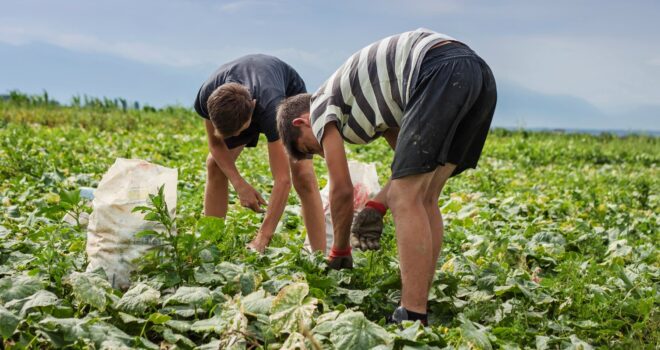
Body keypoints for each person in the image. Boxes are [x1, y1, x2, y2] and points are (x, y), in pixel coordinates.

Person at [276, 29, 497, 324]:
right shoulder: (374, 105)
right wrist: (377, 205)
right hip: (477, 75)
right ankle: (419, 303)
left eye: (310, 148)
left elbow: (341, 189)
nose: (320, 153)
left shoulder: (319, 107)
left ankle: (411, 314)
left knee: (408, 197)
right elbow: (405, 170)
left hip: (439, 69)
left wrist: (340, 249)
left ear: (301, 122)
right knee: (424, 195)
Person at [194, 54, 325, 253]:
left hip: (288, 95)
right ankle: (211, 245)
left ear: (253, 111)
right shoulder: (208, 96)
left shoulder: (272, 110)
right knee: (215, 165)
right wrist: (239, 184)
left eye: (240, 132)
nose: (237, 136)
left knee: (303, 177)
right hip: (246, 98)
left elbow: (282, 180)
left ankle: (319, 255)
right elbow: (216, 145)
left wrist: (262, 238)